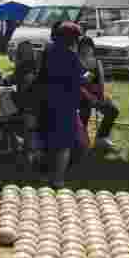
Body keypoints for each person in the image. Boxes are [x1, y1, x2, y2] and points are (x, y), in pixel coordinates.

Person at [40, 21, 87, 188]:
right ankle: (58, 179)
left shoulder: (48, 51)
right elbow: (81, 76)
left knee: (49, 140)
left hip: (47, 101)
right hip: (65, 104)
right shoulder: (71, 56)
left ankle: (46, 175)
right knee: (64, 144)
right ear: (72, 39)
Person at [77, 37, 119, 151]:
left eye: (88, 47)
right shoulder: (75, 62)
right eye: (83, 47)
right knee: (84, 110)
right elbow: (78, 86)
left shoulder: (96, 62)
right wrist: (91, 98)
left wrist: (103, 96)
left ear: (92, 48)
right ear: (79, 48)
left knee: (113, 110)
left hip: (95, 96)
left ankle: (101, 138)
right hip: (80, 97)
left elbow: (101, 82)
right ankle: (80, 140)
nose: (86, 49)